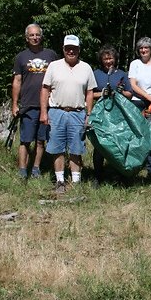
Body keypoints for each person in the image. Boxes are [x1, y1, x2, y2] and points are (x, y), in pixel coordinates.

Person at [40, 34, 96, 194]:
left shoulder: (86, 67)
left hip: (77, 112)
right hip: (57, 112)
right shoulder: (53, 66)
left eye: (74, 49)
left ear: (79, 50)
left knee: (76, 147)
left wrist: (89, 113)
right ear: (63, 49)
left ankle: (76, 181)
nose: (71, 51)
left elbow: (90, 92)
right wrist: (44, 112)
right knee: (57, 147)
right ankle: (60, 181)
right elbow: (45, 89)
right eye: (68, 48)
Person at [11, 23, 58, 180]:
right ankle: (23, 169)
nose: (35, 37)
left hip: (47, 105)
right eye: (31, 35)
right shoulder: (21, 57)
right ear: (26, 38)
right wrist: (14, 104)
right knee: (25, 140)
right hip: (28, 105)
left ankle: (36, 168)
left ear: (41, 36)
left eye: (37, 34)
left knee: (40, 140)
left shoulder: (51, 55)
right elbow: (17, 81)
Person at [91, 45, 132, 186]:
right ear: (101, 60)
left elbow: (130, 94)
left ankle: (120, 176)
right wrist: (102, 93)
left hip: (118, 116)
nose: (108, 61)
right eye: (105, 58)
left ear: (115, 59)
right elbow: (89, 94)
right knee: (100, 146)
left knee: (118, 145)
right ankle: (97, 176)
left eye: (111, 58)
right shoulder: (95, 74)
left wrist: (120, 92)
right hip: (101, 114)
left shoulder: (122, 74)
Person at [128, 37, 151, 177]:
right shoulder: (135, 64)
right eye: (141, 48)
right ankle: (136, 164)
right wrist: (149, 98)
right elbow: (133, 85)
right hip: (139, 101)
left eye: (146, 48)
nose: (143, 50)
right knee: (138, 134)